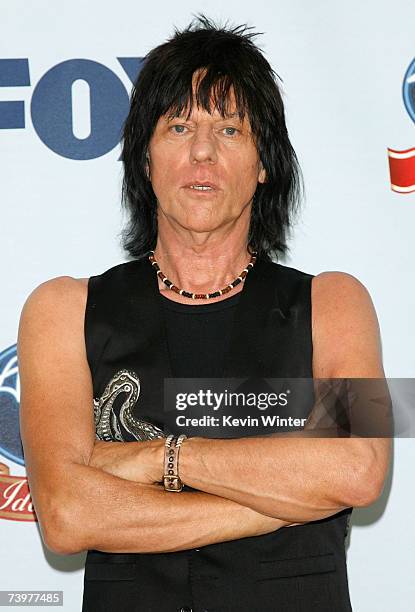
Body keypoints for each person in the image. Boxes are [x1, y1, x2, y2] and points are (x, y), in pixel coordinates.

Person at [17, 14, 390, 612]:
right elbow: (65, 515)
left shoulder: (339, 302)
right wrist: (281, 500)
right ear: (144, 159)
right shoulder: (61, 310)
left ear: (264, 164)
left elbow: (361, 469)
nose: (201, 152)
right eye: (179, 126)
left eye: (230, 130)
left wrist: (157, 456)